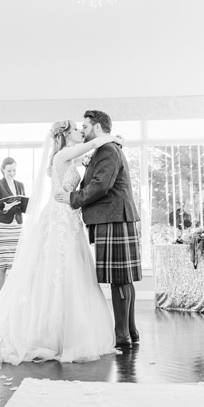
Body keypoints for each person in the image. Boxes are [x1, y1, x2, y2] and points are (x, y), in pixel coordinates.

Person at [0, 120, 120, 363]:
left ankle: (66, 329)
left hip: (68, 216)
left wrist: (85, 161)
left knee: (69, 270)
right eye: (77, 129)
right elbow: (95, 142)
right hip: (60, 218)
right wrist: (114, 138)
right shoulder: (64, 154)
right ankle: (50, 332)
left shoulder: (65, 157)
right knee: (57, 270)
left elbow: (81, 161)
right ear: (66, 135)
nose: (81, 132)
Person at [56, 110, 142, 348]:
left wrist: (72, 198)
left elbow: (100, 185)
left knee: (119, 279)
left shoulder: (107, 150)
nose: (82, 130)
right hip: (113, 217)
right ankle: (130, 332)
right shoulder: (106, 149)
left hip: (113, 218)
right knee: (123, 280)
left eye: (85, 126)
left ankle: (122, 335)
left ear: (97, 128)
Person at [0, 157, 28, 294]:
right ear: (3, 170)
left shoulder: (20, 185)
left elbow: (23, 208)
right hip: (2, 226)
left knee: (17, 263)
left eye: (14, 170)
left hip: (17, 225)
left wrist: (28, 205)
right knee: (3, 264)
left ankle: (12, 297)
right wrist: (6, 206)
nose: (12, 173)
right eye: (9, 170)